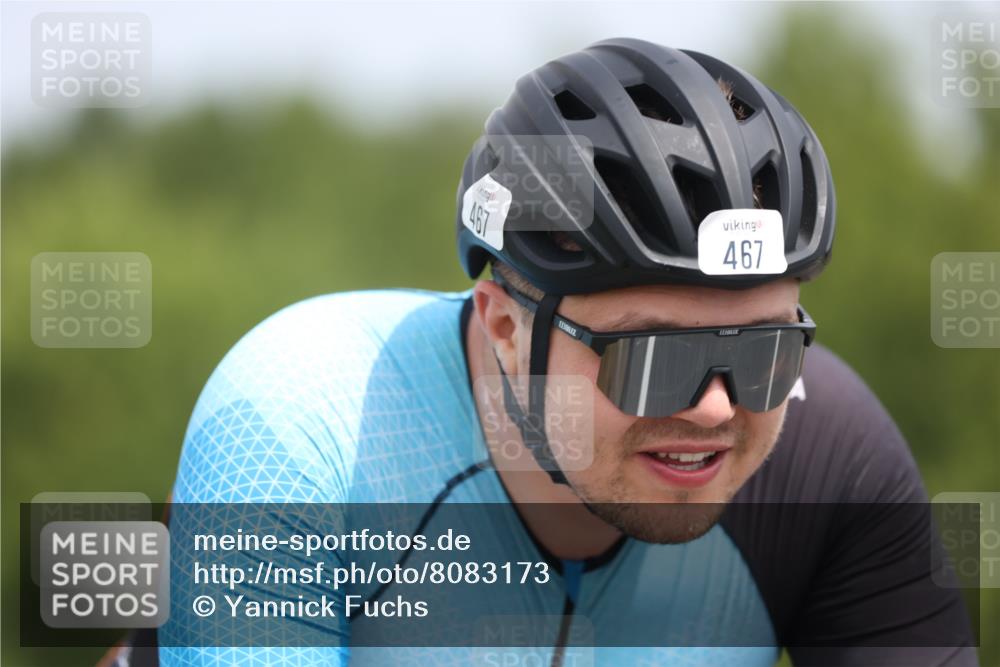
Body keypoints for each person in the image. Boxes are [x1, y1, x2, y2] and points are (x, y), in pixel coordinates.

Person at [155, 38, 977, 666]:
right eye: (655, 359)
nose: (719, 405)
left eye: (768, 351)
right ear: (507, 327)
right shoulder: (299, 422)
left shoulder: (834, 458)